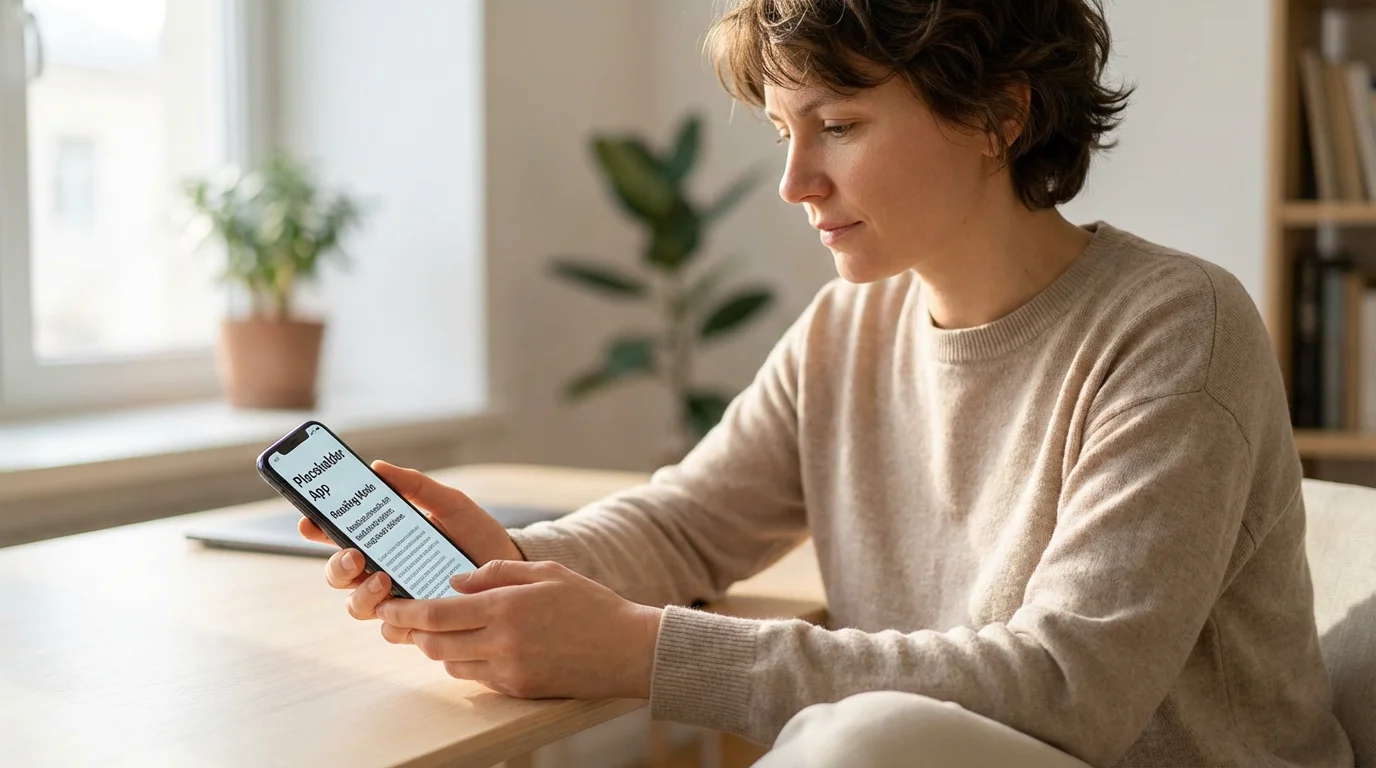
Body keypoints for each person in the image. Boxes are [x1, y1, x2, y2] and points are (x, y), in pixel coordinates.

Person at [300, 1, 1355, 765]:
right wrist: (511, 560)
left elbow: (1069, 689)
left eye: (837, 126)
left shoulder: (1175, 327)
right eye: (780, 132)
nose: (793, 182)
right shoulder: (848, 326)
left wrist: (644, 652)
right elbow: (689, 524)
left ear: (997, 114)